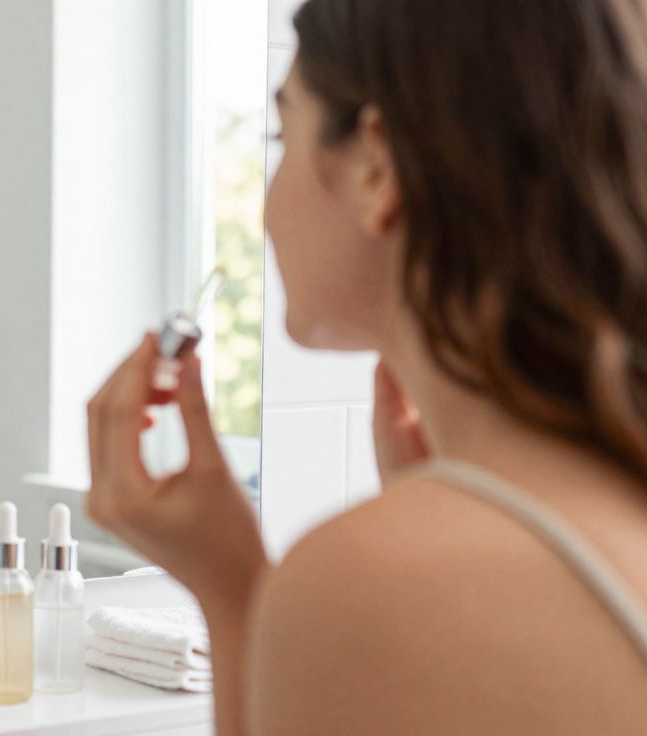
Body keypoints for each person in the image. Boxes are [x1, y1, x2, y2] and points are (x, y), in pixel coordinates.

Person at [86, 1, 647, 732]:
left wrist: (232, 594)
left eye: (281, 134)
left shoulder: (373, 584)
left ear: (377, 169)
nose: (264, 206)